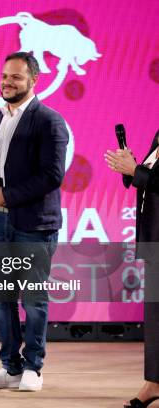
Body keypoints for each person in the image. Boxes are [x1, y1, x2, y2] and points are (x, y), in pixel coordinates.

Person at [0, 52, 68, 392]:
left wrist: (7, 195)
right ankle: (10, 367)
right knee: (2, 299)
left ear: (34, 80)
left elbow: (52, 175)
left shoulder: (49, 121)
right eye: (4, 76)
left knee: (33, 300)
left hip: (33, 225)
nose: (7, 82)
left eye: (15, 77)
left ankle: (33, 368)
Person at [105, 131, 159, 408]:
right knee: (155, 316)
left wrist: (136, 171)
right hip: (154, 235)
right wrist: (132, 169)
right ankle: (154, 384)